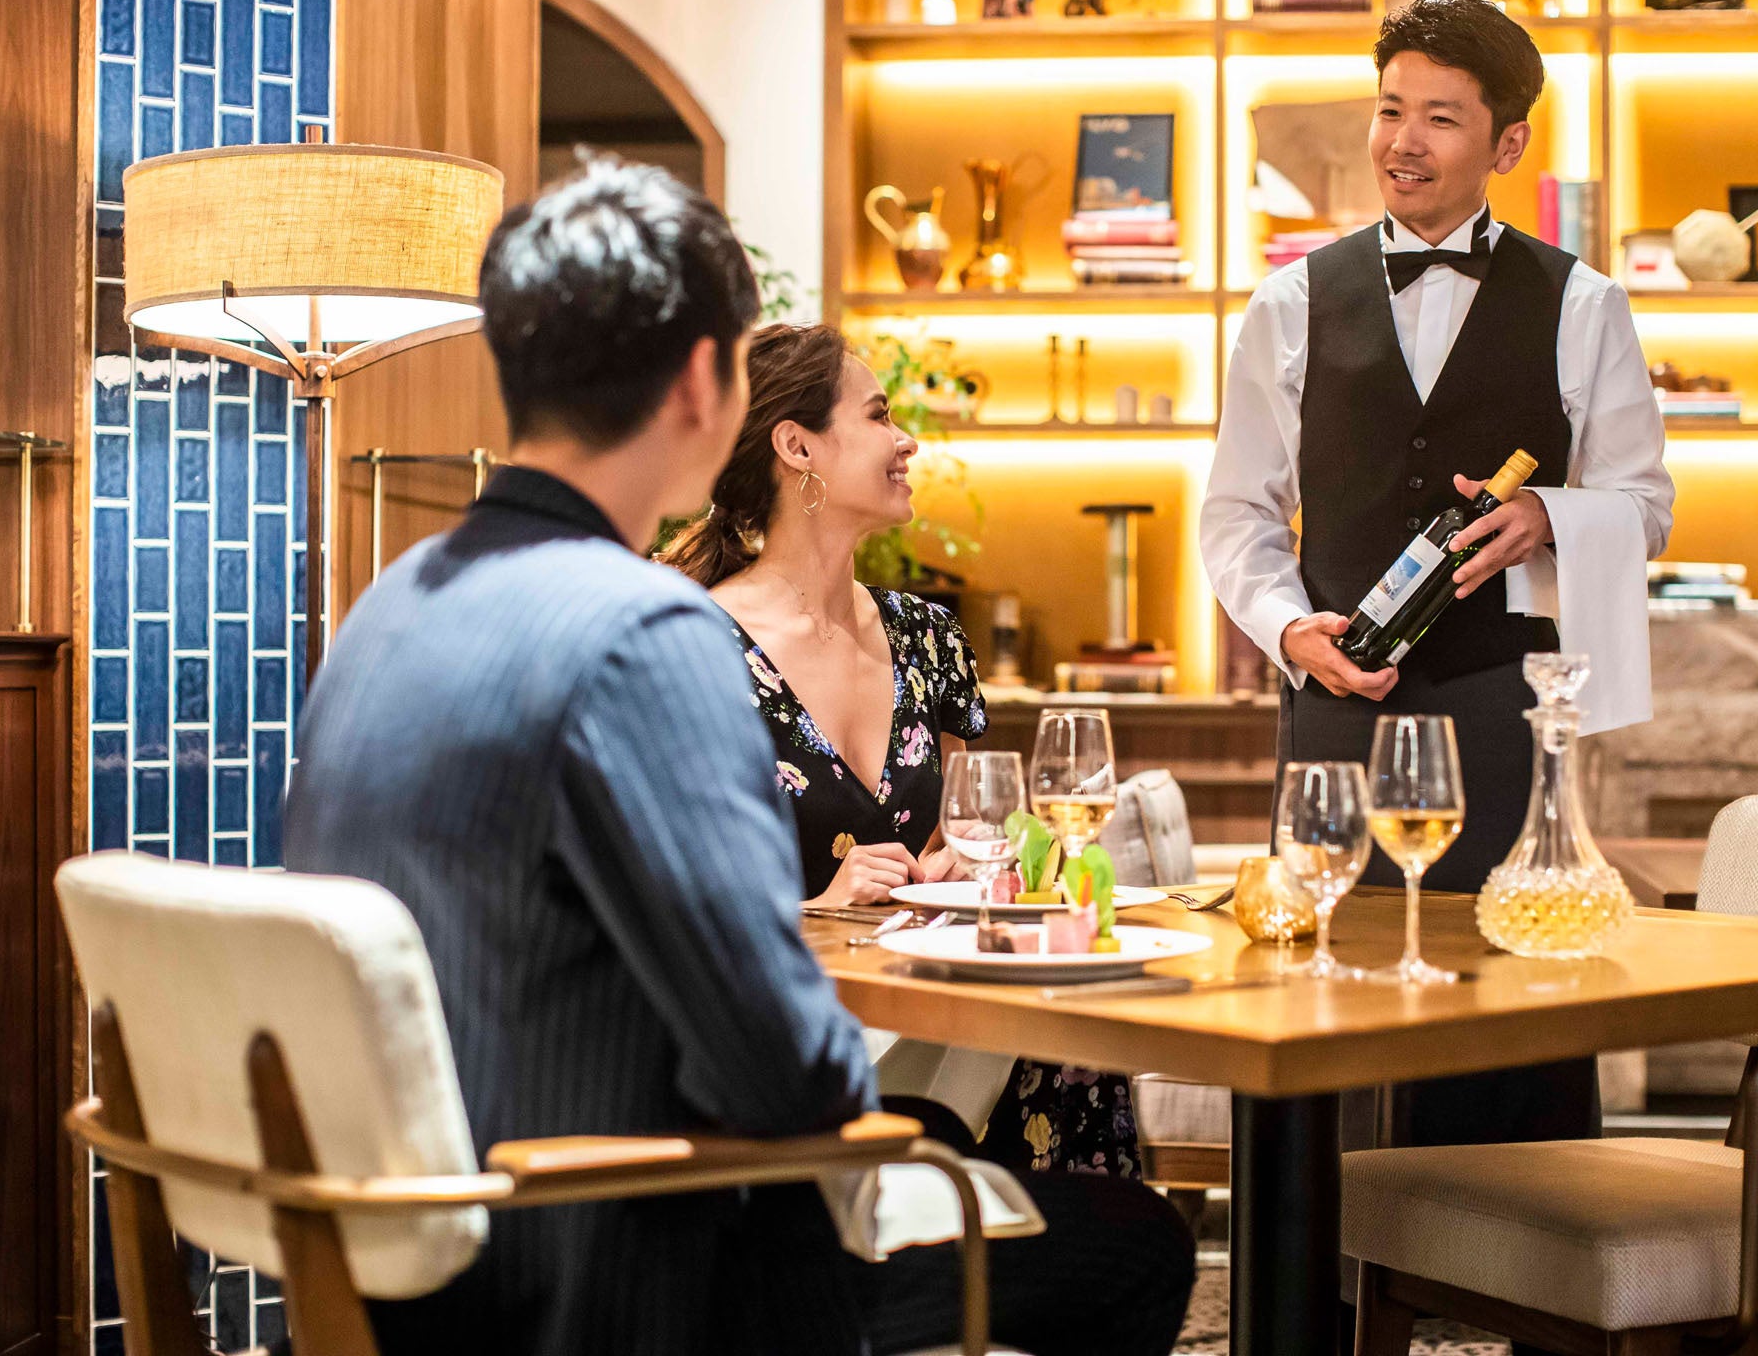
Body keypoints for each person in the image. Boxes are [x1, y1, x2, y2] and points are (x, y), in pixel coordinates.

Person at [284, 158, 1192, 1356]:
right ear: (705, 384)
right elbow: (787, 1069)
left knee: (943, 1145)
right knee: (1137, 1241)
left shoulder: (390, 607)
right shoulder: (641, 633)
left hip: (412, 1263)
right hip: (614, 1276)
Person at [1200, 0, 1674, 1152]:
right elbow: (1236, 511)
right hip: (1334, 708)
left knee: (1506, 1007)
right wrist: (1289, 629)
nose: (1402, 142)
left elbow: (1645, 504)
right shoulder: (1287, 302)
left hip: (1498, 711)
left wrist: (1547, 514)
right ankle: (1316, 1250)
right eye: (1389, 110)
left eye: (1441, 119)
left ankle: (1516, 1242)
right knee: (1314, 1008)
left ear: (1508, 145)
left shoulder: (1584, 304)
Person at [665, 321, 1149, 1179]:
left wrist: (969, 868)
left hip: (930, 1018)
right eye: (881, 415)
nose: (907, 441)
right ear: (797, 447)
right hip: (776, 1053)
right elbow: (665, 909)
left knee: (1075, 1028)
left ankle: (1034, 1236)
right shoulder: (687, 645)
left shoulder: (928, 636)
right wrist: (815, 904)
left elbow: (961, 835)